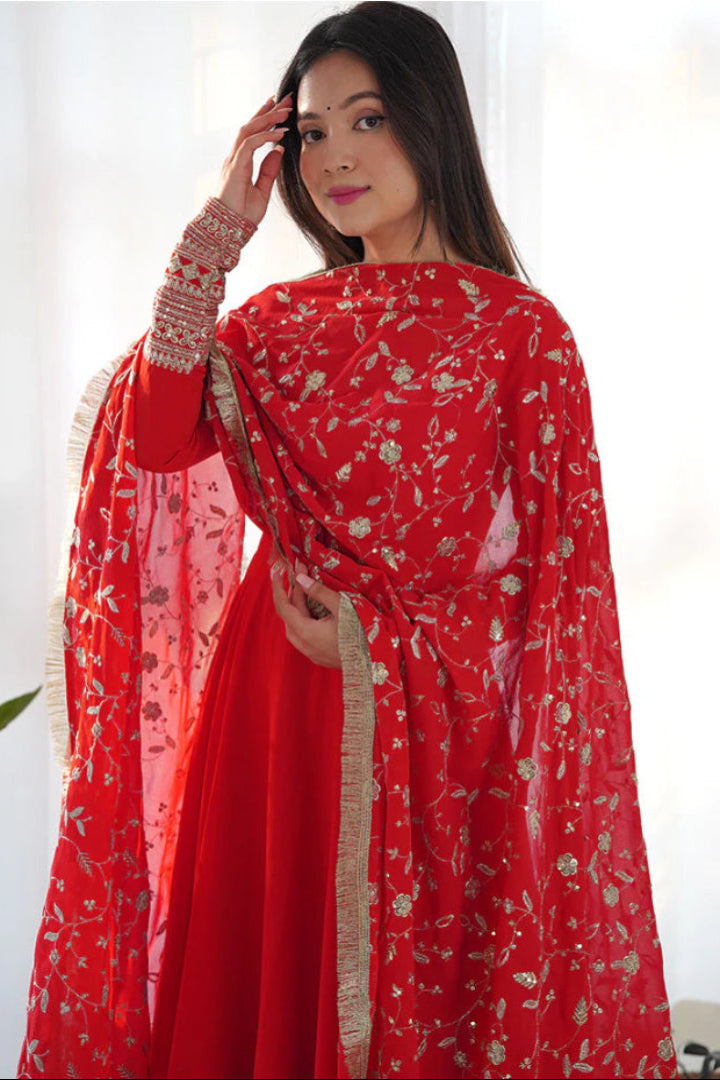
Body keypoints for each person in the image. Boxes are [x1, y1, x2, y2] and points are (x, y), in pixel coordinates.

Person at [17, 3, 677, 1079]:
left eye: (365, 118)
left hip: (428, 740)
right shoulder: (276, 325)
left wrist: (372, 643)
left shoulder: (523, 334)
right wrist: (218, 231)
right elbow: (152, 432)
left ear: (432, 122)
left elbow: (561, 602)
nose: (334, 156)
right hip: (272, 714)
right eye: (310, 133)